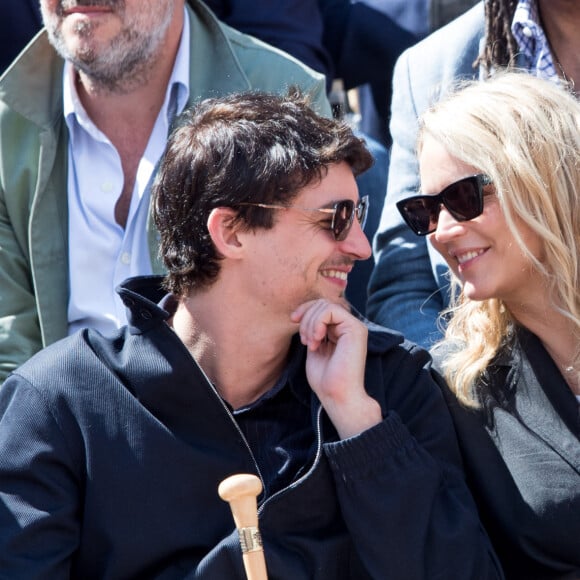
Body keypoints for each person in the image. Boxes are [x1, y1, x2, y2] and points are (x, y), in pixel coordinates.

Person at [0, 90, 502, 579]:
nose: (361, 247)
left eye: (359, 217)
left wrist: (362, 429)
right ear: (232, 231)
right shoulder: (56, 405)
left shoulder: (389, 384)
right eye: (336, 219)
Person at [0, 0, 330, 384]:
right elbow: (9, 359)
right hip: (55, 433)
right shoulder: (8, 123)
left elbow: (299, 331)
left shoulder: (285, 98)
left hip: (230, 432)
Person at [399, 72, 579, 578]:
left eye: (464, 197)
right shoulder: (459, 389)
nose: (443, 232)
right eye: (426, 211)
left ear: (545, 179)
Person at [367, 0, 580, 348]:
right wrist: (472, 389)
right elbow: (404, 286)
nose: (445, 229)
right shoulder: (430, 68)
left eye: (465, 197)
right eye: (460, 197)